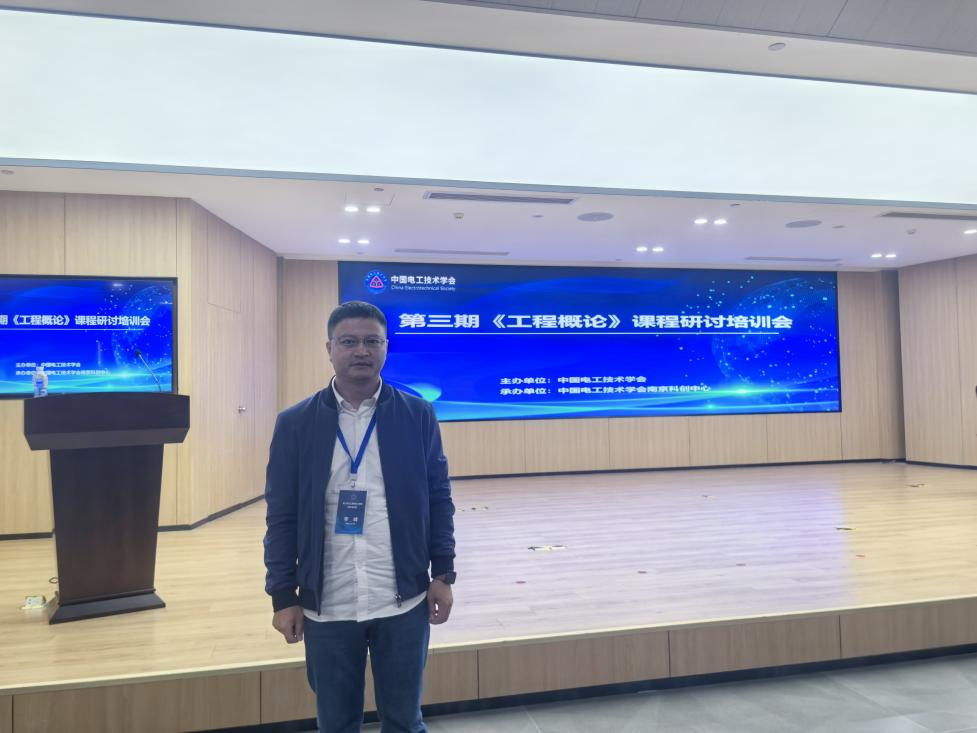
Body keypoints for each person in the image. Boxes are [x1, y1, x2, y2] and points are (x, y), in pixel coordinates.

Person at [263, 300, 456, 733]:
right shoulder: (295, 423)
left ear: (386, 347)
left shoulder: (417, 415)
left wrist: (443, 573)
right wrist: (283, 595)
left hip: (402, 598)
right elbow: (282, 516)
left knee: (405, 722)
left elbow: (438, 498)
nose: (362, 351)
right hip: (327, 603)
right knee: (335, 724)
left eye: (372, 341)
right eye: (349, 341)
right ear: (329, 348)